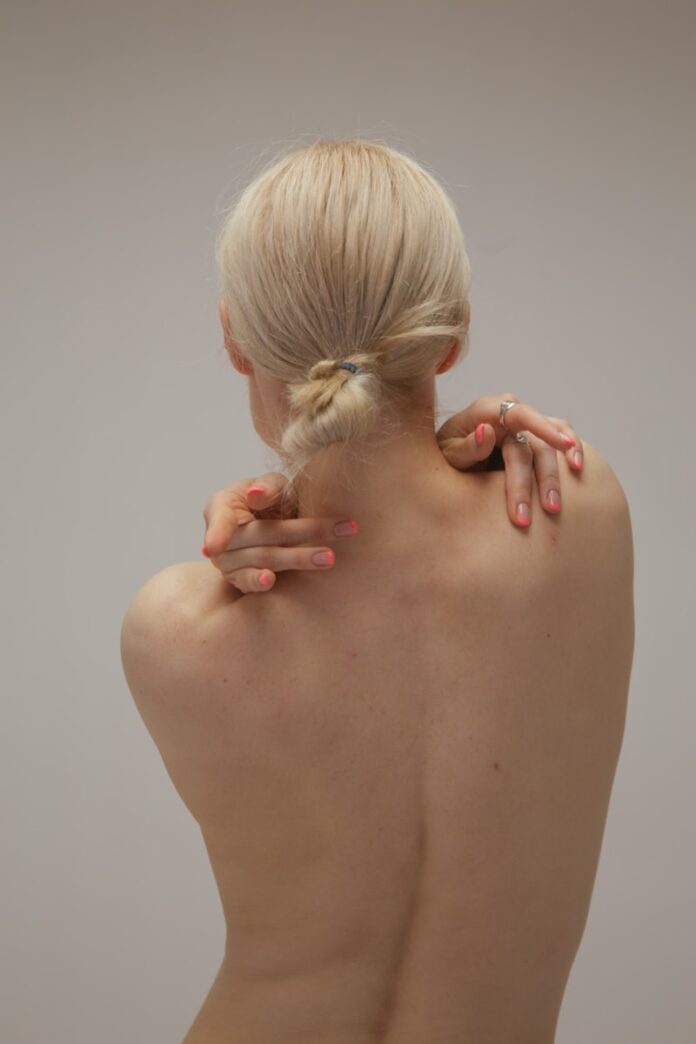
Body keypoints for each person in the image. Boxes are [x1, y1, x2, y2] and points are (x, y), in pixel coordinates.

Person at [120, 140, 634, 1044]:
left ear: (235, 340)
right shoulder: (574, 508)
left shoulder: (176, 628)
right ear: (454, 334)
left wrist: (282, 496)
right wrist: (456, 444)